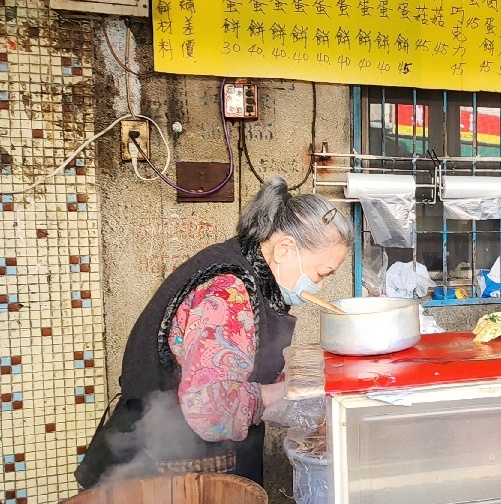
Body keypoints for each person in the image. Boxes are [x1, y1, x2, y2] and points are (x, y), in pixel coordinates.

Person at [76, 176, 354, 488]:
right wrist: (291, 389)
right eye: (322, 273)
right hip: (165, 473)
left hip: (186, 465)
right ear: (285, 249)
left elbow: (239, 363)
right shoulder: (227, 292)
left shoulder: (249, 272)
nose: (321, 285)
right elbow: (210, 410)